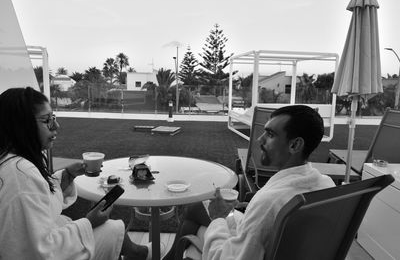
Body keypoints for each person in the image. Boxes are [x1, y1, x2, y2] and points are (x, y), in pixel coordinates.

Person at [163, 105, 336, 260]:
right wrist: (250, 207)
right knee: (196, 210)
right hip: (289, 246)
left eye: (270, 134)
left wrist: (218, 218)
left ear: (295, 145)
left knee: (197, 222)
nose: (259, 140)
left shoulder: (269, 202)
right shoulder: (326, 185)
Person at [0, 87, 152, 260]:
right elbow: (40, 251)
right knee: (112, 229)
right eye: (47, 120)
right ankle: (142, 254)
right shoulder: (21, 175)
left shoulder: (11, 163)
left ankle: (139, 254)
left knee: (108, 227)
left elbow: (37, 206)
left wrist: (66, 176)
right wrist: (89, 222)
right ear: (21, 125)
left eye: (54, 118)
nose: (56, 126)